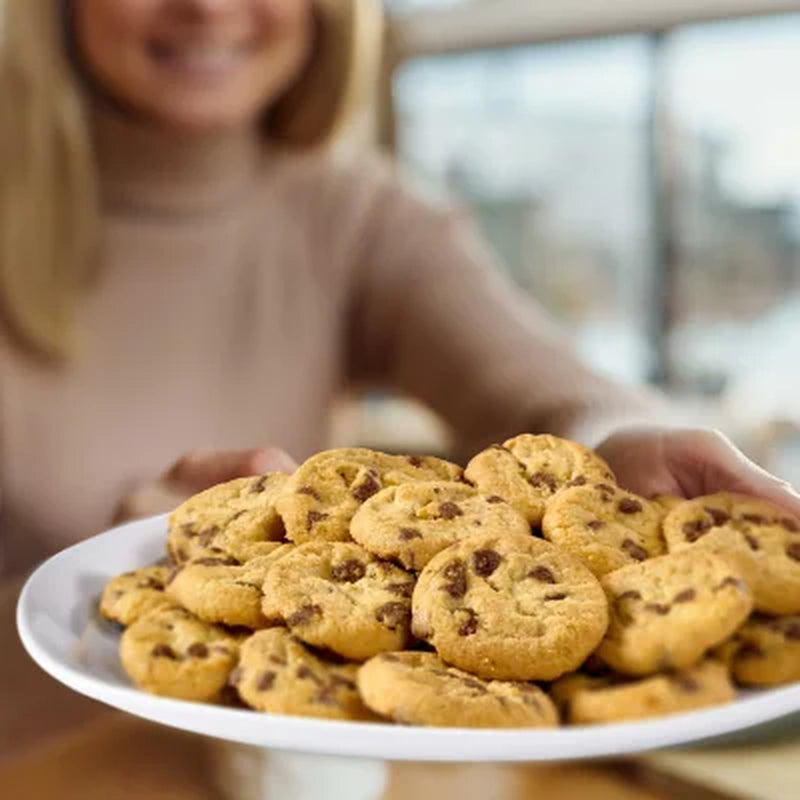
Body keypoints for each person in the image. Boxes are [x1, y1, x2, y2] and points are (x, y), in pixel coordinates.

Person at [2, 0, 799, 792]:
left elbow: (537, 382)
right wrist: (103, 590)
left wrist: (618, 442)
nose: (210, 8)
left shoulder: (354, 213)